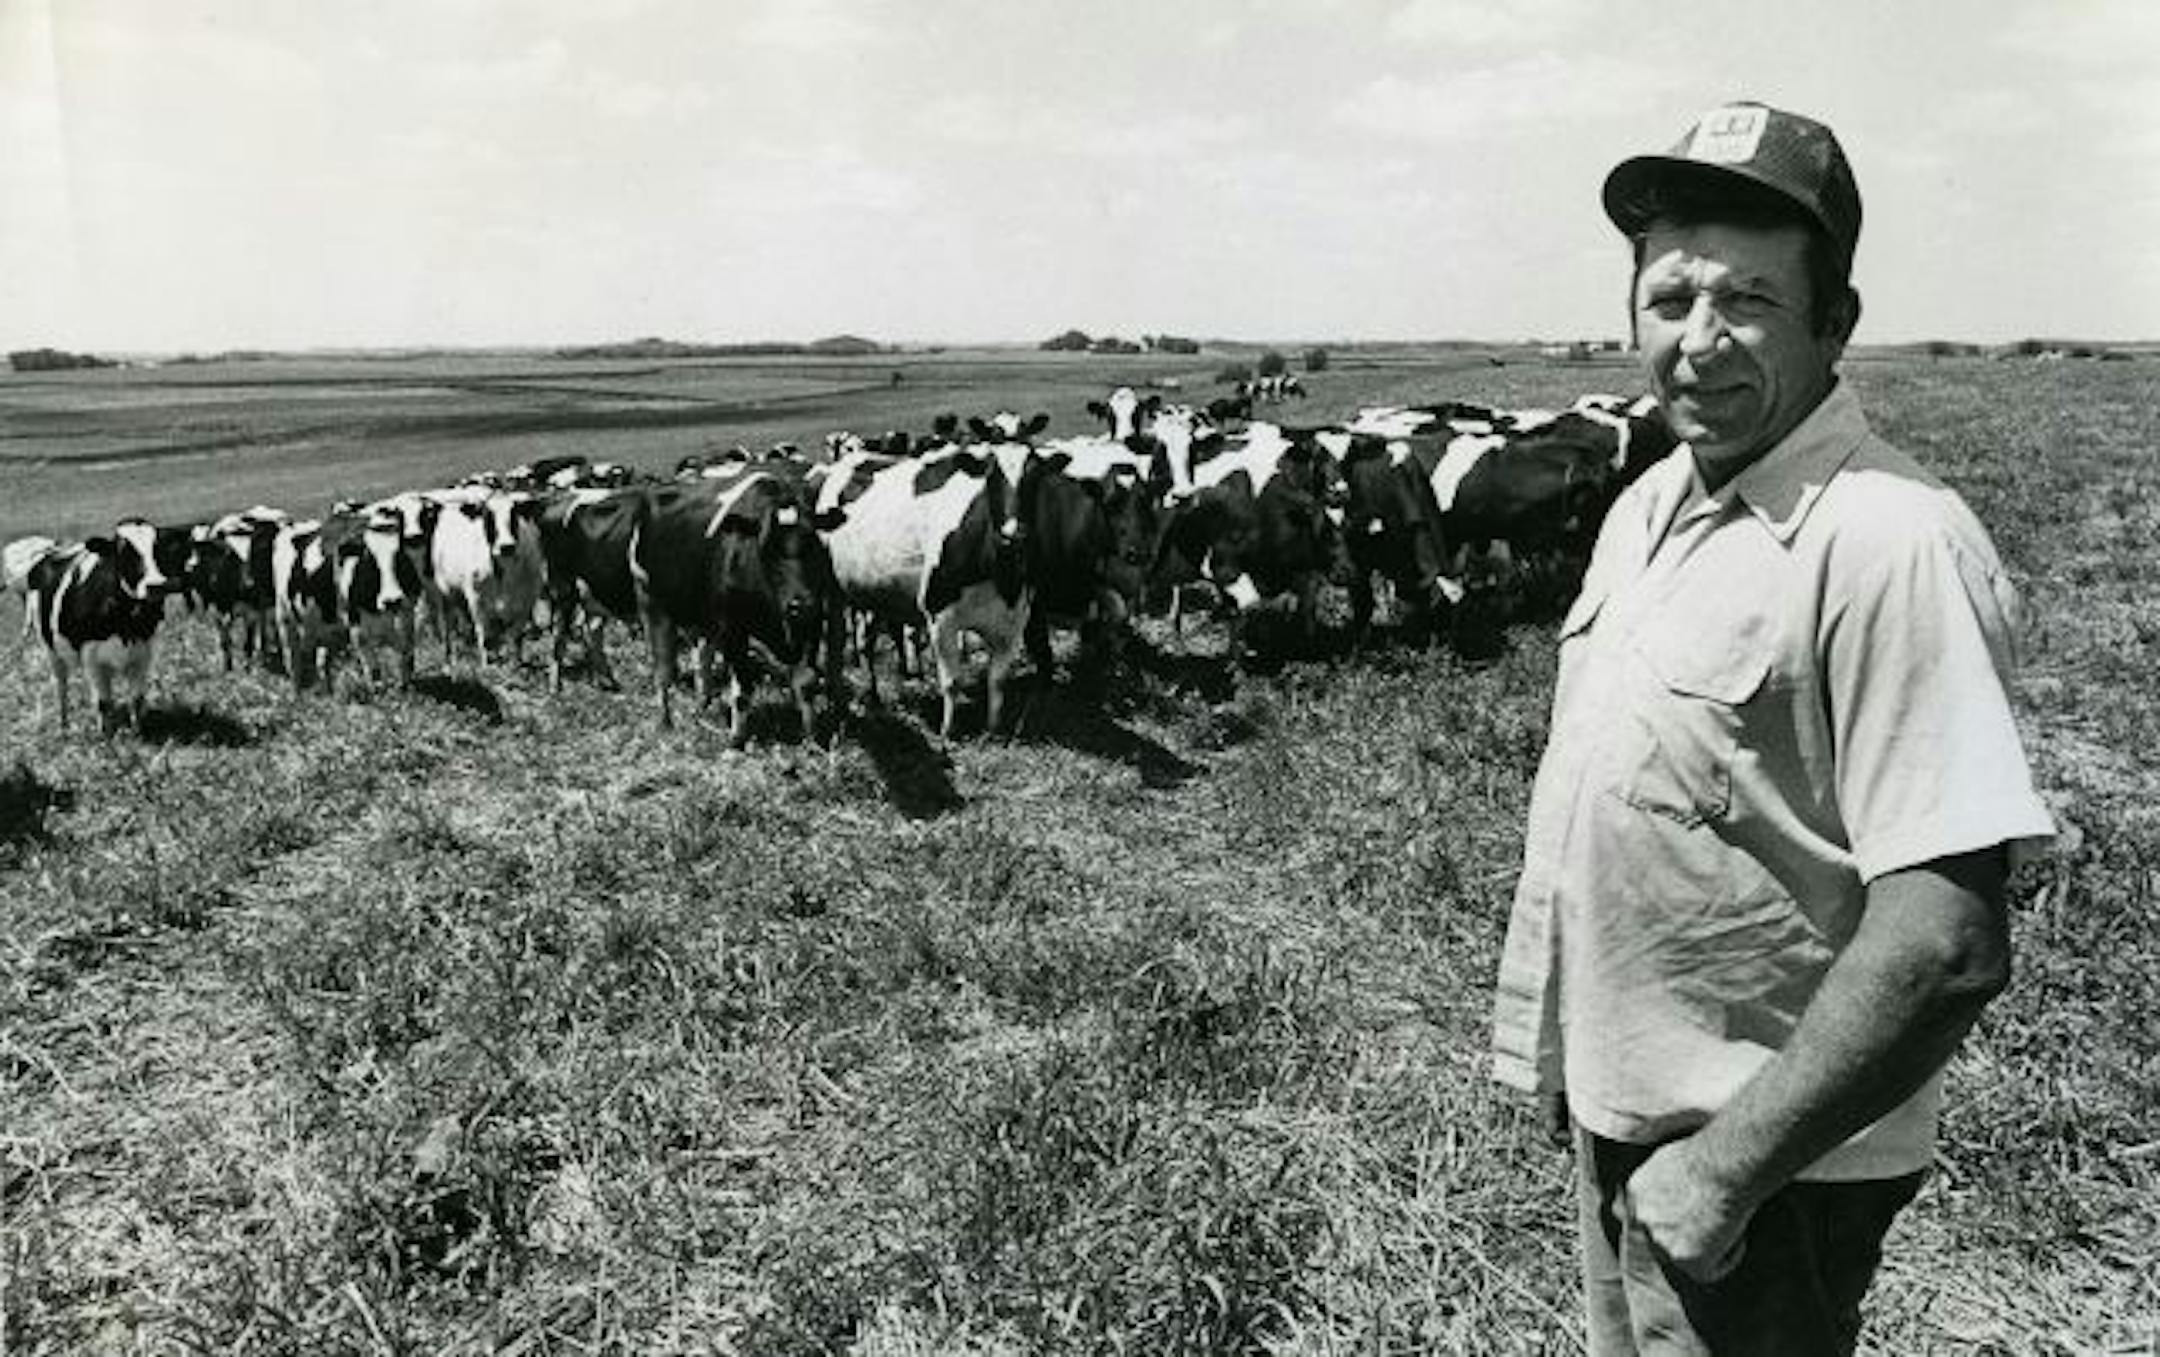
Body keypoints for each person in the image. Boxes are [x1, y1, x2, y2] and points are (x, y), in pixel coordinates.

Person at [1489, 101, 2054, 1354]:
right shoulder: (1649, 504)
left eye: (1748, 300)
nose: (1698, 343)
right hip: (1635, 1116)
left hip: (1761, 1173)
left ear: (1836, 321)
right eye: (1669, 297)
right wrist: (1580, 1074)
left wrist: (1721, 1177)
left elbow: (1947, 940)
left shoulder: (1890, 542)